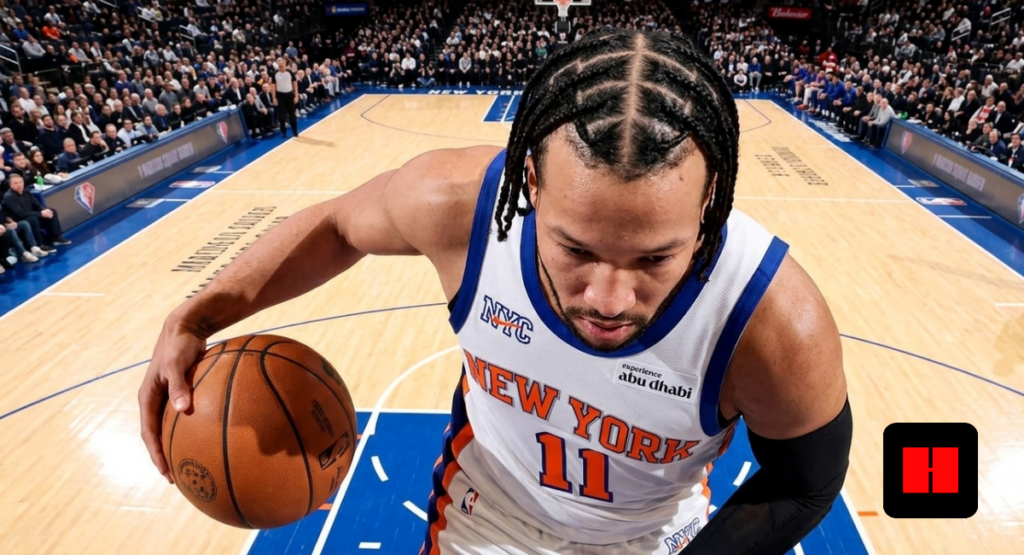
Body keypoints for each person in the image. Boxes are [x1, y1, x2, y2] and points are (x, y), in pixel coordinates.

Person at [139, 29, 850, 555]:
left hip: (652, 535)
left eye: (653, 258)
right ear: (531, 186)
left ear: (709, 202)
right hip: (487, 513)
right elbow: (334, 226)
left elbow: (803, 483)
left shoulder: (772, 319)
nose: (607, 296)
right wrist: (199, 312)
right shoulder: (459, 206)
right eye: (575, 248)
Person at [273, 57, 299, 138]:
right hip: (280, 96)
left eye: (282, 62)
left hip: (290, 95)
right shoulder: (275, 73)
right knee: (282, 116)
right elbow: (273, 86)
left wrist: (296, 95)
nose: (281, 63)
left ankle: (295, 131)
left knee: (292, 114)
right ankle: (283, 132)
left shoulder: (290, 72)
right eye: (279, 62)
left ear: (285, 63)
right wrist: (274, 98)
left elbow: (294, 83)